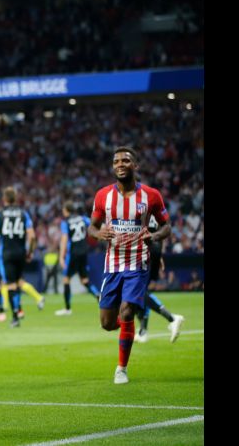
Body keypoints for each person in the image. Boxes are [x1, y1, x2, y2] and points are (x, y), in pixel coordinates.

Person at [88, 146, 171, 384]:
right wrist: (99, 232)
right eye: (116, 161)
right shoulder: (103, 195)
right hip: (112, 264)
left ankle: (121, 369)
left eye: (125, 160)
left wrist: (153, 237)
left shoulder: (151, 195)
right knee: (106, 323)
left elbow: (167, 226)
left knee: (126, 311)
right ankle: (129, 326)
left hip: (138, 262)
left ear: (135, 165)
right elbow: (92, 227)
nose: (120, 164)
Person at [0, 187, 36, 328]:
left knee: (11, 284)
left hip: (6, 252)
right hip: (20, 252)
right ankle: (18, 311)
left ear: (4, 199)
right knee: (18, 282)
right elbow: (32, 236)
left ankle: (15, 316)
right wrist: (30, 251)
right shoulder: (23, 213)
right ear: (16, 198)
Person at [134, 218, 185, 343]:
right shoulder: (155, 205)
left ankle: (172, 318)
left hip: (143, 251)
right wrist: (158, 255)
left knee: (137, 292)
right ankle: (143, 331)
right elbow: (163, 229)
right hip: (153, 250)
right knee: (140, 293)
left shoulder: (138, 204)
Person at [55, 202, 101, 316]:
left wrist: (61, 256)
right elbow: (94, 224)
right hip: (84, 252)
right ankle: (97, 295)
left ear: (66, 210)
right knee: (84, 279)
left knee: (66, 279)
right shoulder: (82, 218)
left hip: (73, 253)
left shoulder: (65, 222)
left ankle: (67, 308)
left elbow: (64, 239)